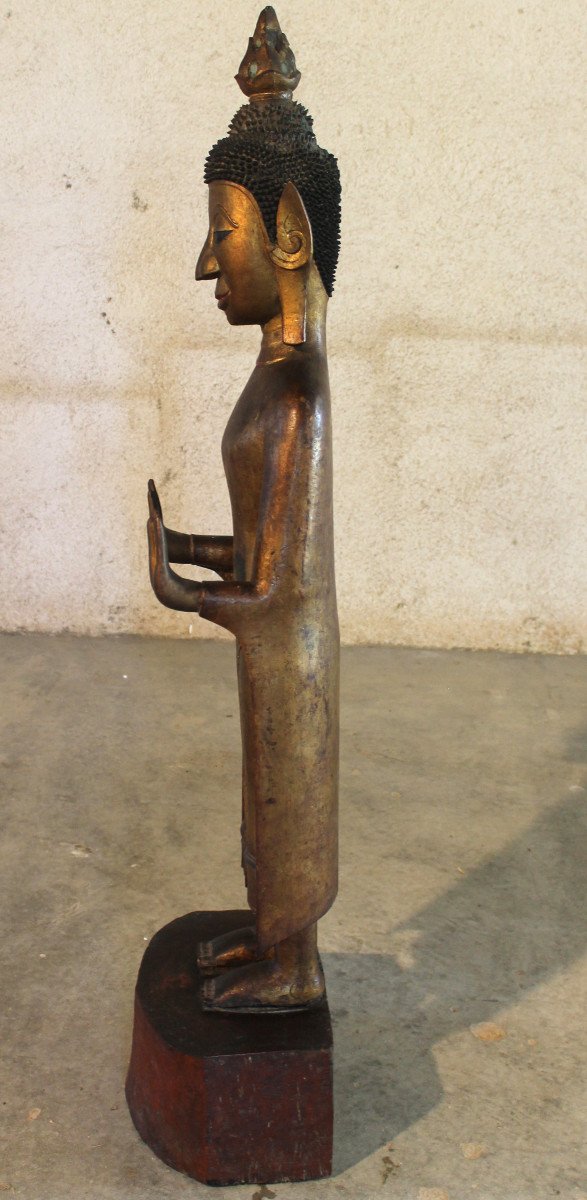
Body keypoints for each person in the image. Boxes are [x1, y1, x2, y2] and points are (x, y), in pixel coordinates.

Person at [147, 6, 341, 1013]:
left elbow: (276, 591)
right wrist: (187, 545)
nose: (206, 262)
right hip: (271, 658)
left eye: (223, 234)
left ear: (288, 233)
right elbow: (263, 556)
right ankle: (267, 944)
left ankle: (290, 963)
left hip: (287, 653)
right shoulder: (273, 378)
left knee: (288, 812)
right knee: (262, 815)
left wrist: (185, 589)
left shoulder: (297, 390)